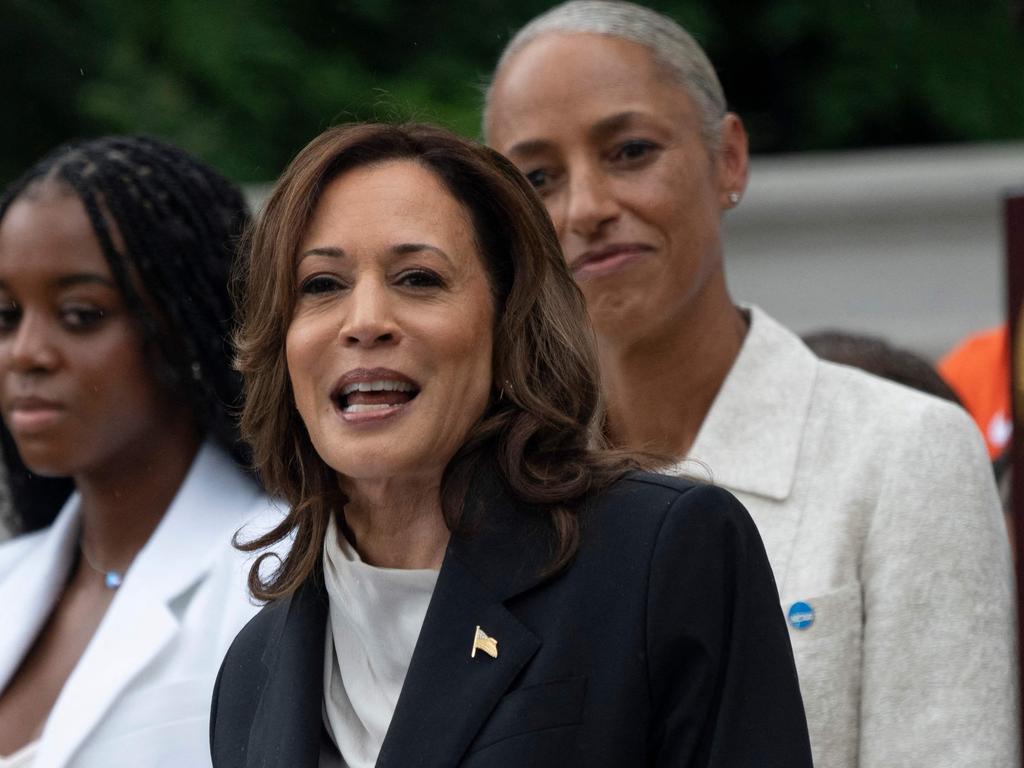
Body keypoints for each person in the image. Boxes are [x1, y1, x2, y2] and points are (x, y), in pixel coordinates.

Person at [483, 3, 1018, 767]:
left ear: (727, 159)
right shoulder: (490, 493)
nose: (587, 208)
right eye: (538, 177)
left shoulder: (902, 455)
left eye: (630, 151)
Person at [209, 122, 813, 767]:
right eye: (321, 286)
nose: (365, 323)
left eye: (417, 278)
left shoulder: (659, 556)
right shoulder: (250, 674)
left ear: (509, 322)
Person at [0, 136, 281, 767]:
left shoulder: (279, 573)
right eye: (5, 315)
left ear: (184, 327)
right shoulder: (8, 576)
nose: (25, 351)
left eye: (79, 314)